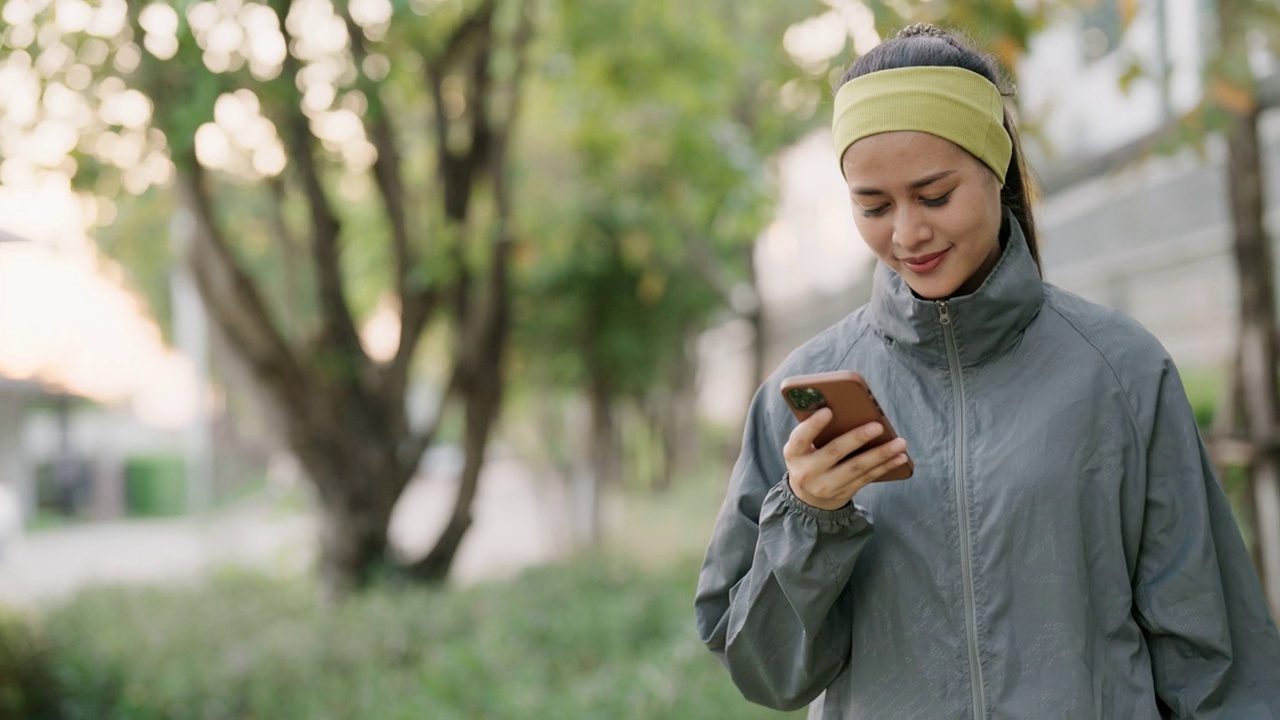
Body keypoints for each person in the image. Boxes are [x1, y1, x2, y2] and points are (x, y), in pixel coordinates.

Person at [694, 23, 1280, 719]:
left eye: (934, 195)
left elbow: (1213, 656)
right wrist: (809, 518)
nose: (907, 233)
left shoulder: (1119, 370)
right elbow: (767, 673)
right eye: (872, 206)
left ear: (995, 171)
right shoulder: (804, 391)